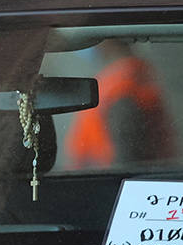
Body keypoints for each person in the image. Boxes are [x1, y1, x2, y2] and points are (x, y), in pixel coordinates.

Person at [64, 38, 173, 168]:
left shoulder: (121, 87)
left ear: (105, 39)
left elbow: (127, 158)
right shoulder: (137, 77)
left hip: (104, 182)